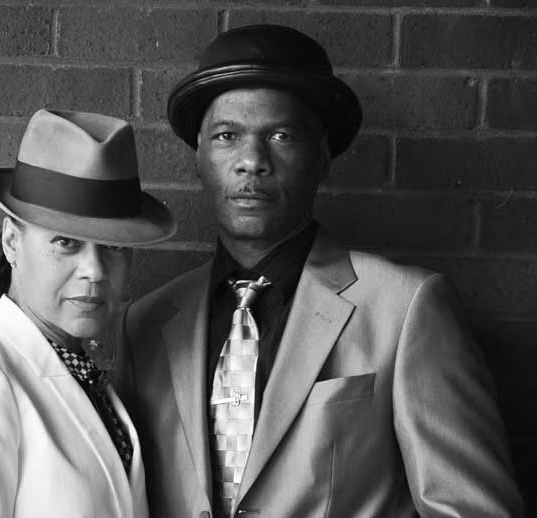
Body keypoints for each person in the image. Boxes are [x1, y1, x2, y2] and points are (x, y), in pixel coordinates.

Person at [121, 25, 524, 517]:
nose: (252, 161)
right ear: (199, 159)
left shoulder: (405, 309)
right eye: (227, 136)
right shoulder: (146, 324)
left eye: (281, 136)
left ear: (323, 158)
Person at [0, 109, 176, 517]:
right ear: (12, 243)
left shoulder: (86, 380)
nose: (95, 270)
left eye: (114, 246)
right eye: (66, 242)